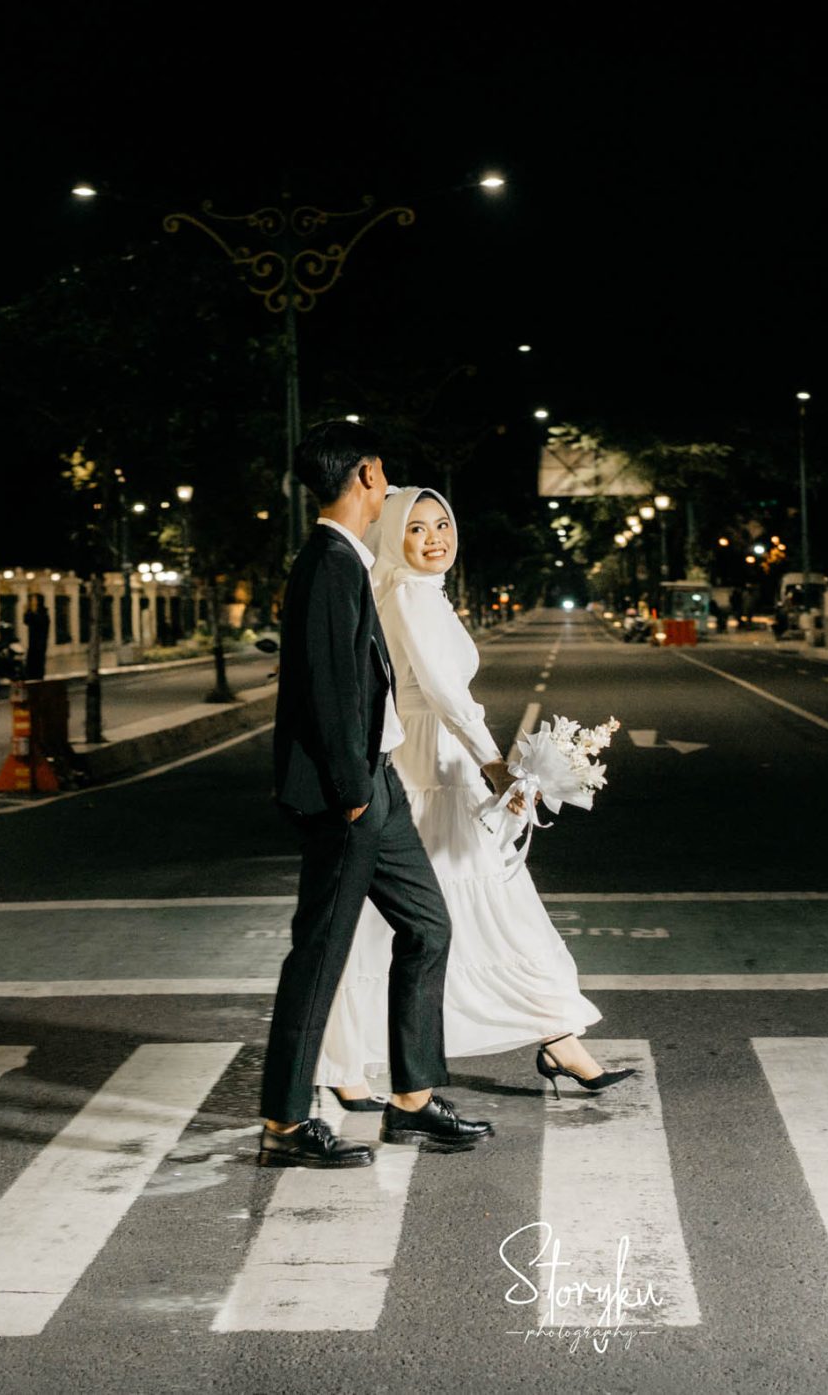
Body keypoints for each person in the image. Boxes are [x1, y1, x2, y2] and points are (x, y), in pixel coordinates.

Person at [316, 487, 634, 1111]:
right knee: (436, 910)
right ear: (394, 538)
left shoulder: (417, 591)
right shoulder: (409, 594)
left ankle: (557, 1038)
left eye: (442, 524)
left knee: (452, 908)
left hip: (439, 759)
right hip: (430, 767)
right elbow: (443, 692)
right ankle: (347, 1059)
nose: (434, 538)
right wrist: (494, 763)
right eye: (416, 529)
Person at [256, 421, 492, 1169]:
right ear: (365, 475)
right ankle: (284, 1124)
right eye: (382, 472)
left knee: (428, 927)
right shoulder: (329, 563)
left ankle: (413, 1102)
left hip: (377, 780)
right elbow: (327, 690)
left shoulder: (347, 560)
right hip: (351, 793)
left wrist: (372, 780)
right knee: (320, 954)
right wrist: (353, 790)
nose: (386, 483)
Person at [22, 593, 50, 681]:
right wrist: (26, 612)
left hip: (40, 642)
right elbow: (26, 621)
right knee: (31, 659)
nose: (33, 602)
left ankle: (38, 677)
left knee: (39, 660)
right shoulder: (32, 612)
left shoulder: (43, 613)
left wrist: (32, 613)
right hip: (32, 641)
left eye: (34, 600)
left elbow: (39, 623)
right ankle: (30, 676)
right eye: (32, 600)